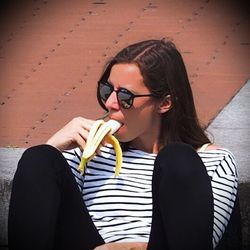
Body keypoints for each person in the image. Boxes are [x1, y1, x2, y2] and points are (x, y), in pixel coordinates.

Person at [8, 39, 242, 250]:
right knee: (39, 158)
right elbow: (40, 205)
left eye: (126, 97)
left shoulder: (212, 162)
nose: (110, 103)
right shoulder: (91, 152)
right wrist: (52, 147)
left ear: (165, 103)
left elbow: (202, 239)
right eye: (107, 90)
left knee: (178, 158)